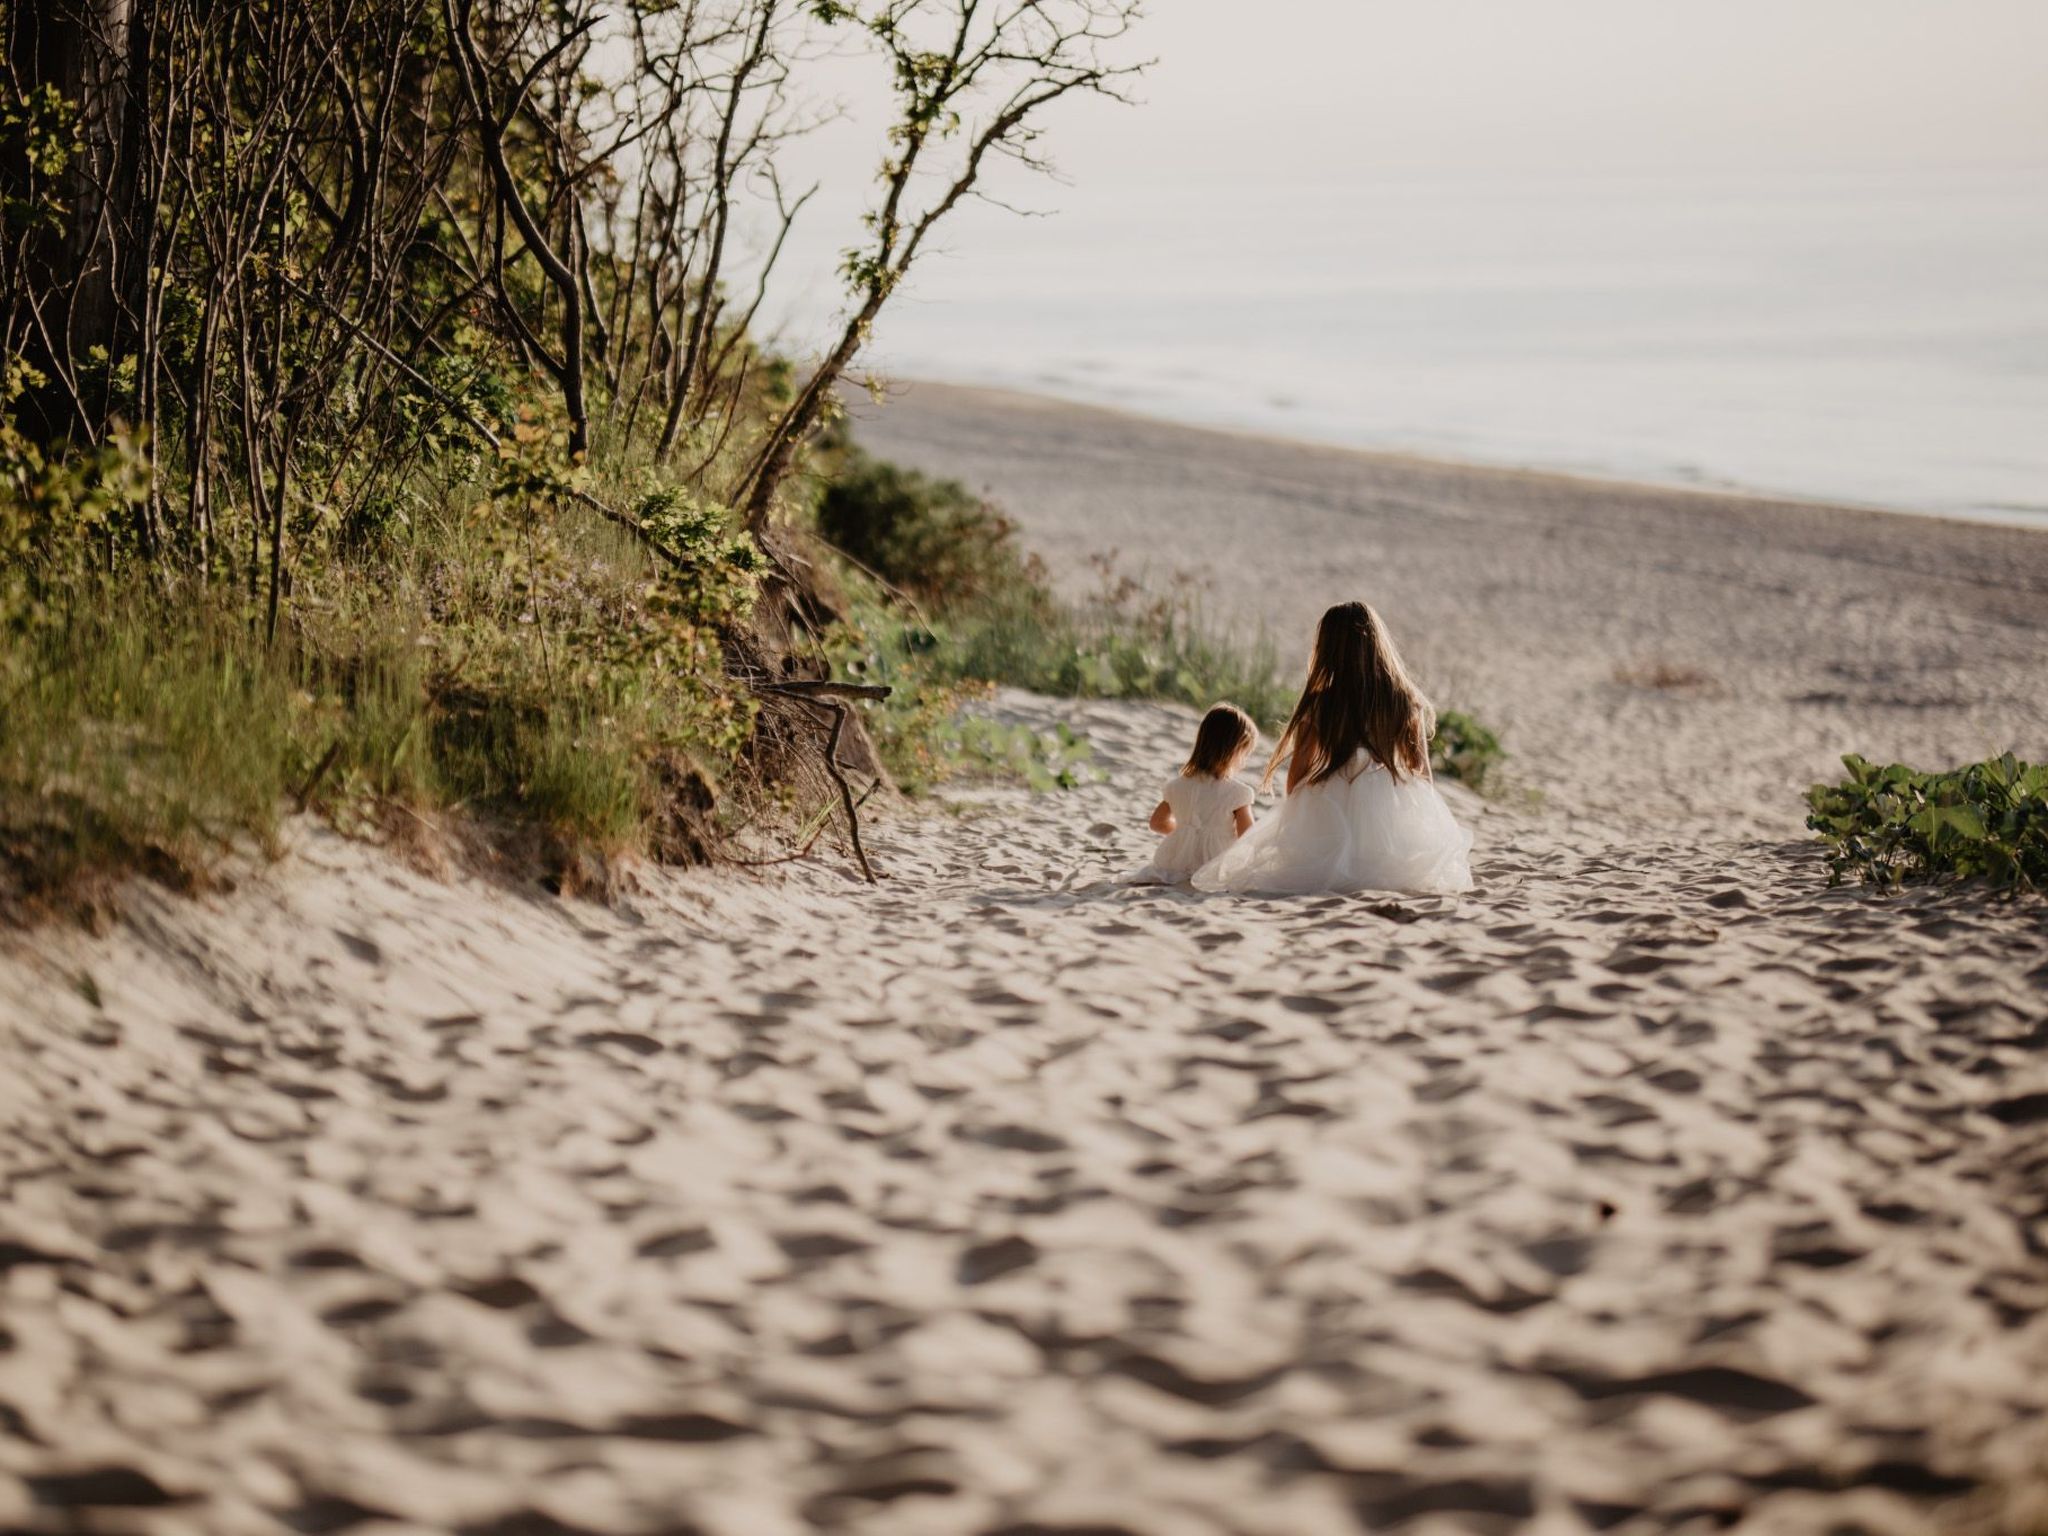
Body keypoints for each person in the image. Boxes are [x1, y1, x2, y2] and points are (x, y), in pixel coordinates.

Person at [1194, 602, 1473, 896]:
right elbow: (1422, 774)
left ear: (1326, 649)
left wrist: (1301, 820)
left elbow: (1296, 777)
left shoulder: (1320, 704)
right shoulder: (1403, 700)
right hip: (1388, 801)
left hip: (1331, 799)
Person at [1126, 703, 1259, 885]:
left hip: (1174, 861)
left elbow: (1156, 823)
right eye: (1245, 753)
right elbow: (1248, 835)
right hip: (1213, 863)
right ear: (1234, 750)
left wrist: (1185, 833)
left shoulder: (1176, 786)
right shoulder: (1238, 793)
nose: (1244, 760)